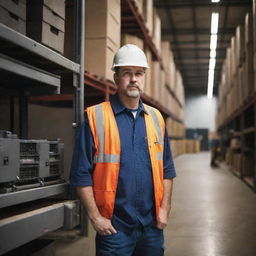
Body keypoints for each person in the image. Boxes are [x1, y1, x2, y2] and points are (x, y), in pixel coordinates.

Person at [70, 44, 176, 256]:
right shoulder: (95, 117)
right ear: (116, 78)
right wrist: (95, 218)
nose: (134, 79)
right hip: (114, 229)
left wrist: (164, 210)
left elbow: (167, 170)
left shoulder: (156, 119)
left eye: (139, 73)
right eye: (127, 73)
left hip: (152, 228)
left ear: (144, 77)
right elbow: (80, 174)